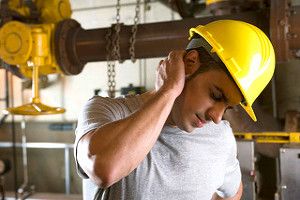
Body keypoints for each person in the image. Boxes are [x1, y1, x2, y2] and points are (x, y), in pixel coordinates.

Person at [74, 20, 275, 200]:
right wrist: (168, 90)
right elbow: (105, 169)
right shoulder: (107, 111)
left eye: (227, 107)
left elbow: (234, 192)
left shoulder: (220, 137)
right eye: (215, 95)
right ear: (190, 63)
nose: (216, 116)